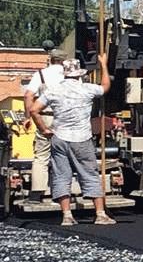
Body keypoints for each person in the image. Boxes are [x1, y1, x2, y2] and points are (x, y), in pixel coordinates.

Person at [29, 55, 115, 226]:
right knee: (89, 174)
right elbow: (105, 87)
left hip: (59, 137)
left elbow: (33, 110)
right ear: (79, 74)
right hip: (81, 138)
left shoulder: (53, 91)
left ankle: (67, 215)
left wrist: (44, 129)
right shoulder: (87, 89)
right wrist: (104, 65)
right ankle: (100, 214)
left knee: (61, 175)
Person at [21, 43, 66, 204]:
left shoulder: (41, 74)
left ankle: (37, 194)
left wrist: (28, 117)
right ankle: (62, 193)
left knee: (41, 155)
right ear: (63, 61)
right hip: (66, 118)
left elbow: (28, 96)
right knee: (63, 155)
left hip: (44, 117)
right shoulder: (70, 75)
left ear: (50, 60)